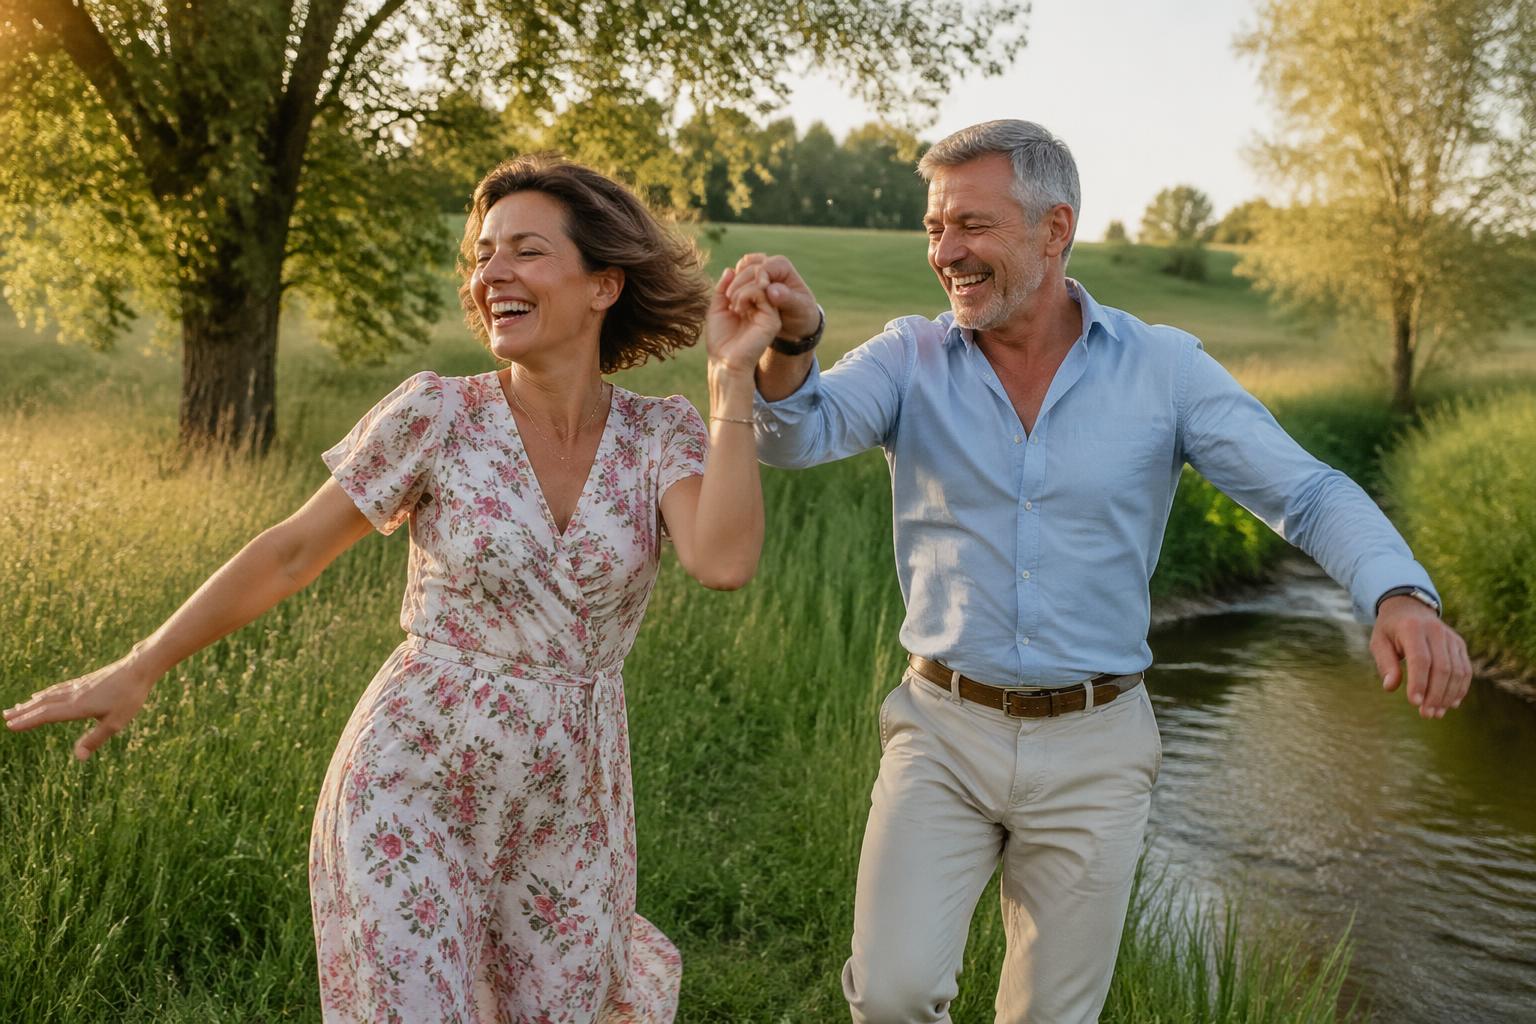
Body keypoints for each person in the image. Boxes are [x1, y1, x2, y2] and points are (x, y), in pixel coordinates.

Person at [4, 155, 784, 1023]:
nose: (492, 275)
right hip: (412, 776)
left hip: (573, 798)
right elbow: (292, 551)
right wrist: (141, 666)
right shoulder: (437, 415)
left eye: (525, 251)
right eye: (483, 255)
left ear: (604, 285)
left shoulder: (657, 434)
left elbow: (724, 561)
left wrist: (732, 378)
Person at [732, 119, 1473, 1023]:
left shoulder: (1164, 369)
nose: (947, 253)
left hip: (1098, 743)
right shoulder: (908, 356)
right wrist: (794, 344)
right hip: (941, 730)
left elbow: (1307, 492)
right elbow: (795, 435)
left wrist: (1398, 593)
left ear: (1055, 229)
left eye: (973, 225)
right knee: (892, 995)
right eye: (935, 229)